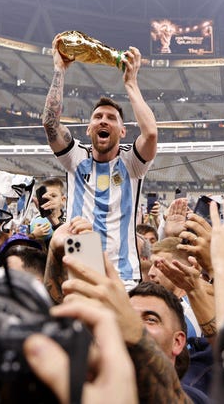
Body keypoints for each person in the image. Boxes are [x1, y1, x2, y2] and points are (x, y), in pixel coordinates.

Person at [43, 42, 157, 284]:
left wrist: (130, 83)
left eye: (111, 118)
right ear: (89, 128)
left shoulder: (131, 163)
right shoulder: (76, 158)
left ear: (123, 131)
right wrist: (59, 71)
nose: (104, 121)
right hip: (82, 270)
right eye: (98, 117)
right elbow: (50, 124)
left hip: (125, 277)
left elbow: (151, 135)